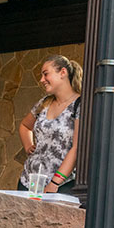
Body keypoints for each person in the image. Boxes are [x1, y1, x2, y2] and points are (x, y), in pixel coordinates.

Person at [17, 55, 82, 195]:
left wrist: (54, 183)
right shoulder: (44, 102)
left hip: (60, 186)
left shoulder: (80, 105)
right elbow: (25, 126)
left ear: (62, 73)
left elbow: (77, 148)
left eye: (46, 74)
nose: (42, 80)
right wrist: (28, 146)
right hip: (28, 181)